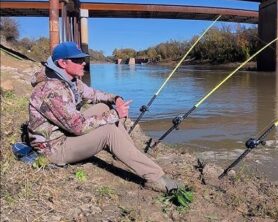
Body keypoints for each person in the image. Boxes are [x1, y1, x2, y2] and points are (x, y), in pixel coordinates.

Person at [27, 42, 179, 192]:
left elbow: (93, 94)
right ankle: (155, 178)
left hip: (64, 133)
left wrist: (115, 98)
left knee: (103, 107)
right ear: (62, 63)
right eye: (78, 60)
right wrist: (115, 114)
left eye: (83, 59)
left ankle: (127, 151)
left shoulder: (68, 80)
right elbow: (78, 127)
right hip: (53, 149)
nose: (83, 64)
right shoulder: (51, 91)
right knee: (108, 132)